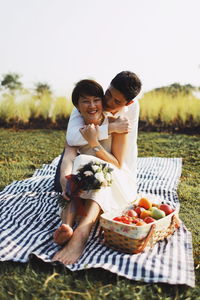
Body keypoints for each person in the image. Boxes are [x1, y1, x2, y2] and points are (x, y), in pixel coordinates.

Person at [52, 79, 138, 265]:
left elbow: (117, 162)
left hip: (112, 177)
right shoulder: (75, 127)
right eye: (85, 101)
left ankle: (82, 232)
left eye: (96, 100)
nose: (92, 106)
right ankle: (66, 227)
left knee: (86, 162)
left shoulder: (117, 124)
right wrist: (64, 178)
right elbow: (68, 157)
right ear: (77, 107)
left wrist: (94, 143)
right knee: (76, 172)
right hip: (86, 180)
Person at [54, 71, 142, 201]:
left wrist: (127, 179)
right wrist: (111, 128)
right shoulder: (88, 103)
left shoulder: (132, 109)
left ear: (128, 103)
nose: (109, 102)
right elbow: (72, 139)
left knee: (102, 191)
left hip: (107, 158)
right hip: (79, 152)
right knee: (61, 187)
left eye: (117, 101)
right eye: (108, 94)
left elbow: (128, 146)